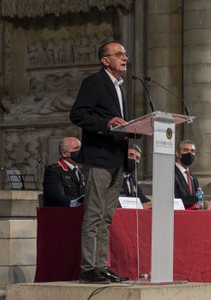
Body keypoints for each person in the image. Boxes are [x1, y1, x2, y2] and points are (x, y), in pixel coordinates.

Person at [70, 41, 130, 284]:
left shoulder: (120, 87)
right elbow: (78, 115)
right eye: (119, 54)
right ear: (105, 60)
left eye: (125, 54)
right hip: (98, 158)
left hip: (116, 159)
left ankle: (101, 266)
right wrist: (106, 124)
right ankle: (88, 268)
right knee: (94, 214)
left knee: (107, 216)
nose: (125, 58)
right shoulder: (95, 82)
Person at [42, 137, 85, 207]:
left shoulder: (82, 170)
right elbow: (57, 198)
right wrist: (77, 203)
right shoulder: (53, 171)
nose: (81, 151)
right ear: (65, 153)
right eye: (77, 148)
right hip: (62, 214)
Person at [120, 144, 152, 209]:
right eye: (131, 155)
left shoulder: (133, 179)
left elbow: (143, 199)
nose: (134, 159)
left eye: (137, 158)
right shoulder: (114, 177)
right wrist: (141, 207)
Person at [174, 140, 200, 209]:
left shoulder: (193, 178)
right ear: (177, 153)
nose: (189, 153)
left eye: (192, 151)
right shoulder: (171, 173)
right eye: (186, 150)